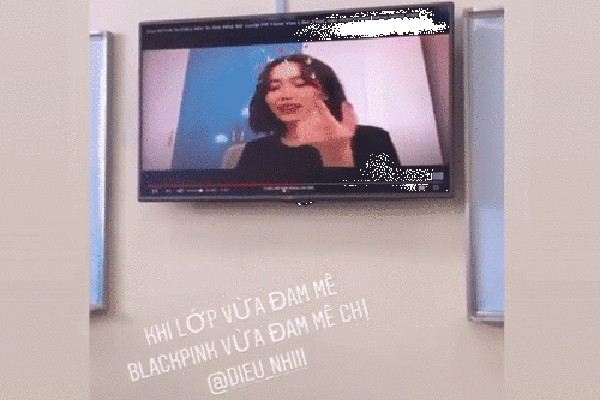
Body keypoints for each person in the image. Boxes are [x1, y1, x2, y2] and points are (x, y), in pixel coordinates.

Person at [233, 54, 401, 183]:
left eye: (300, 84)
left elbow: (382, 205)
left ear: (324, 92)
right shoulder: (255, 151)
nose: (285, 95)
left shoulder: (374, 139)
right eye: (274, 87)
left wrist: (338, 152)